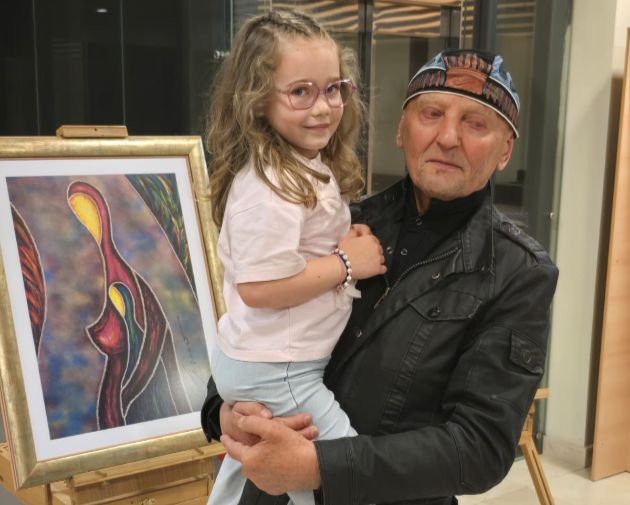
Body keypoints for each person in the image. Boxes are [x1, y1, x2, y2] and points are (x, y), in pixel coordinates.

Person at [201, 47, 559, 505]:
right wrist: (223, 414)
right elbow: (252, 332)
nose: (448, 137)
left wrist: (321, 467)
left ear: (505, 150)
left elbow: (479, 449)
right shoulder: (342, 222)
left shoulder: (516, 274)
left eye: (475, 124)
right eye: (432, 114)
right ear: (401, 129)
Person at [203, 9, 386, 505]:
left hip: (273, 361)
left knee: (276, 466)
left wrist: (342, 240)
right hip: (280, 367)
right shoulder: (269, 186)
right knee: (344, 472)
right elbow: (259, 288)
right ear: (258, 100)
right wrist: (347, 264)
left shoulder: (298, 166)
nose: (323, 107)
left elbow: (294, 248)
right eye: (300, 92)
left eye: (333, 88)